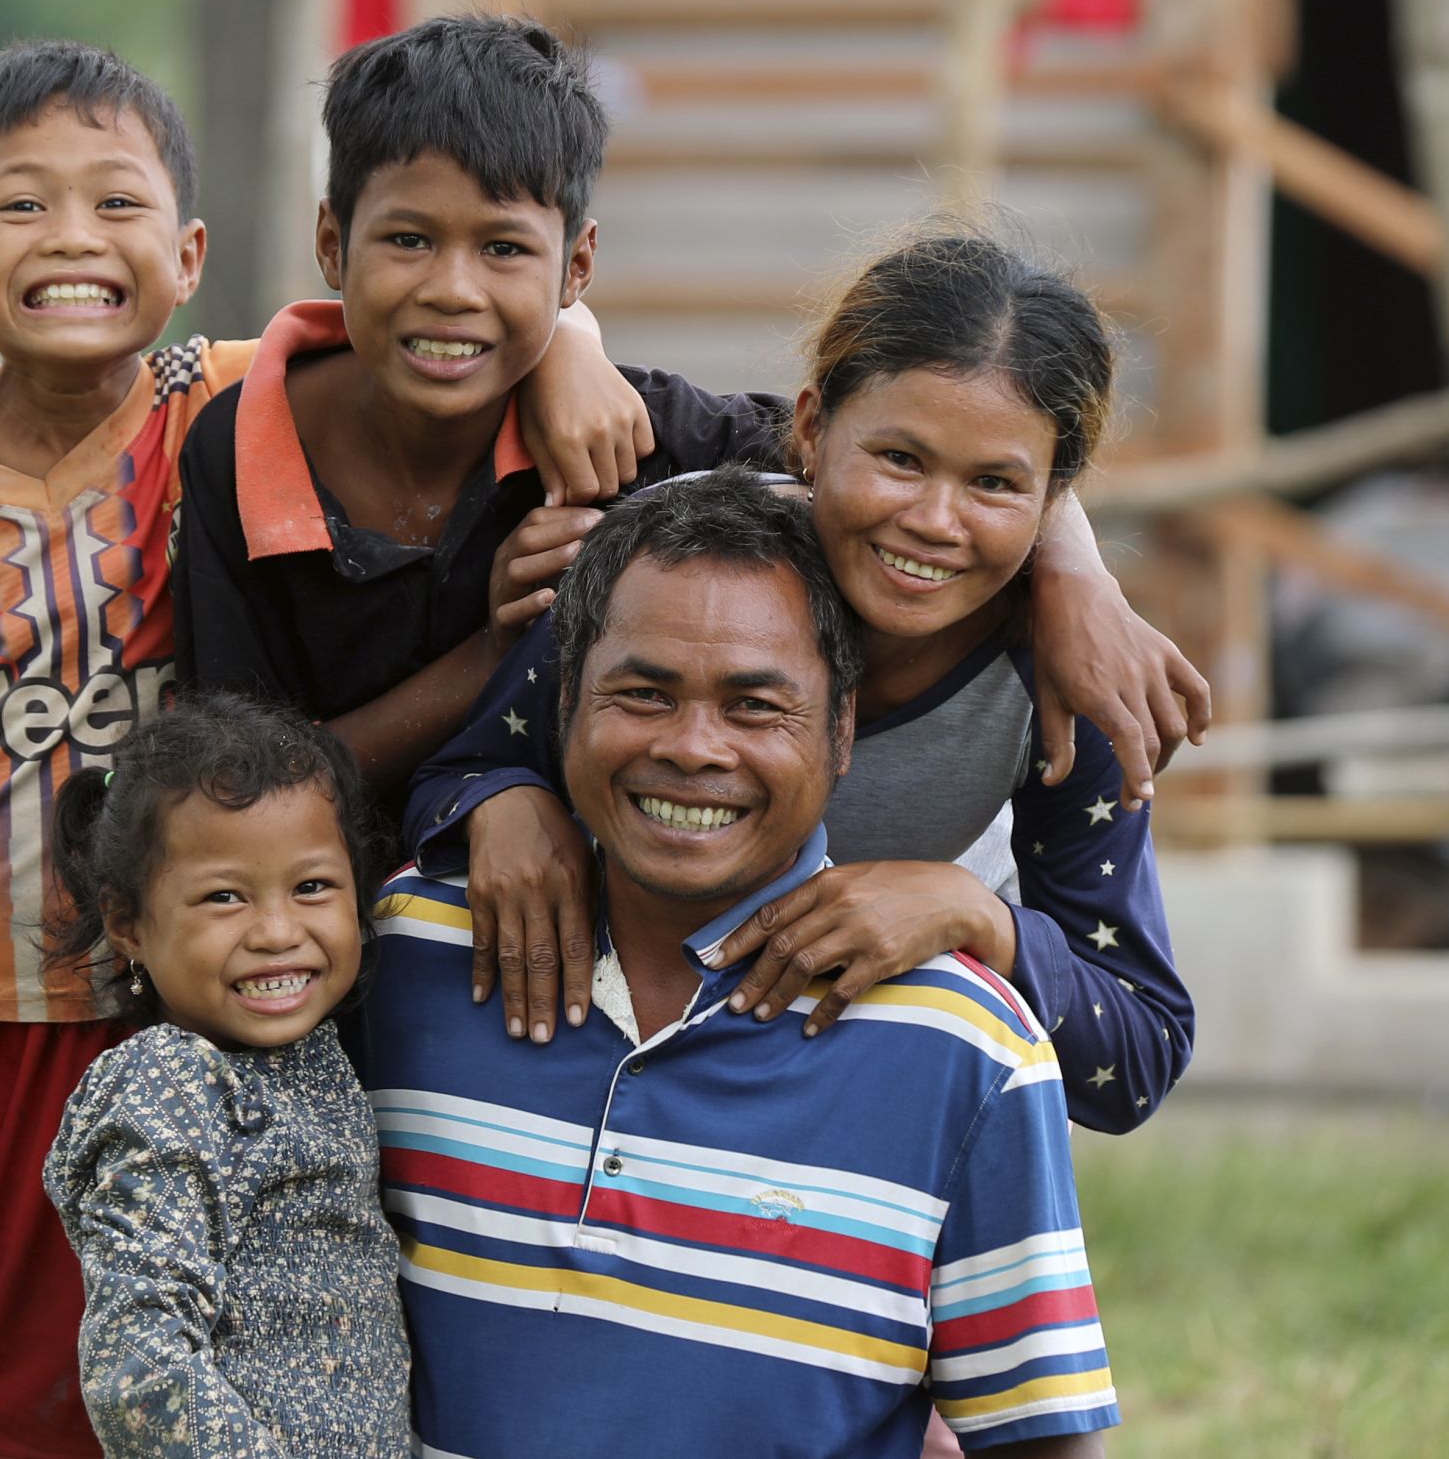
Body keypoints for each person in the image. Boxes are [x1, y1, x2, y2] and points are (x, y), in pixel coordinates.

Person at [0, 39, 644, 1459]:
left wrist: (577, 348)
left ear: (188, 252)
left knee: (15, 1430)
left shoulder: (222, 407)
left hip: (130, 1019)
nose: (71, 239)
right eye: (21, 205)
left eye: (115, 204)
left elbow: (444, 316)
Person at [172, 14, 1204, 808]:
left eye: (502, 248)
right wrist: (491, 659)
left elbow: (891, 455)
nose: (452, 287)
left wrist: (1073, 571)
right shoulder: (238, 450)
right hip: (295, 943)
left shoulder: (634, 437)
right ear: (329, 241)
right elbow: (248, 788)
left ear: (577, 263)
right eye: (407, 240)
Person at [353, 471, 1120, 1458]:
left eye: (757, 707)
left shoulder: (966, 1048)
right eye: (642, 693)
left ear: (841, 731)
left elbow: (1042, 1440)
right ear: (564, 700)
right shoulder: (411, 952)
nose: (693, 747)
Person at [405, 227, 1191, 1133]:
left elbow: (1138, 1051)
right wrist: (503, 801)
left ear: (1055, 499)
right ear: (813, 428)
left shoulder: (1058, 682)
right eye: (899, 458)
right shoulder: (678, 558)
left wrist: (974, 914)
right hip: (577, 1074)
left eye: (995, 484)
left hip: (829, 1145)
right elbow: (448, 777)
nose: (934, 520)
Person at [40, 694, 414, 1459]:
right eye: (224, 897)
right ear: (128, 923)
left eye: (312, 886)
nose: (279, 932)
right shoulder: (171, 1084)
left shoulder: (313, 1055)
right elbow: (138, 1370)